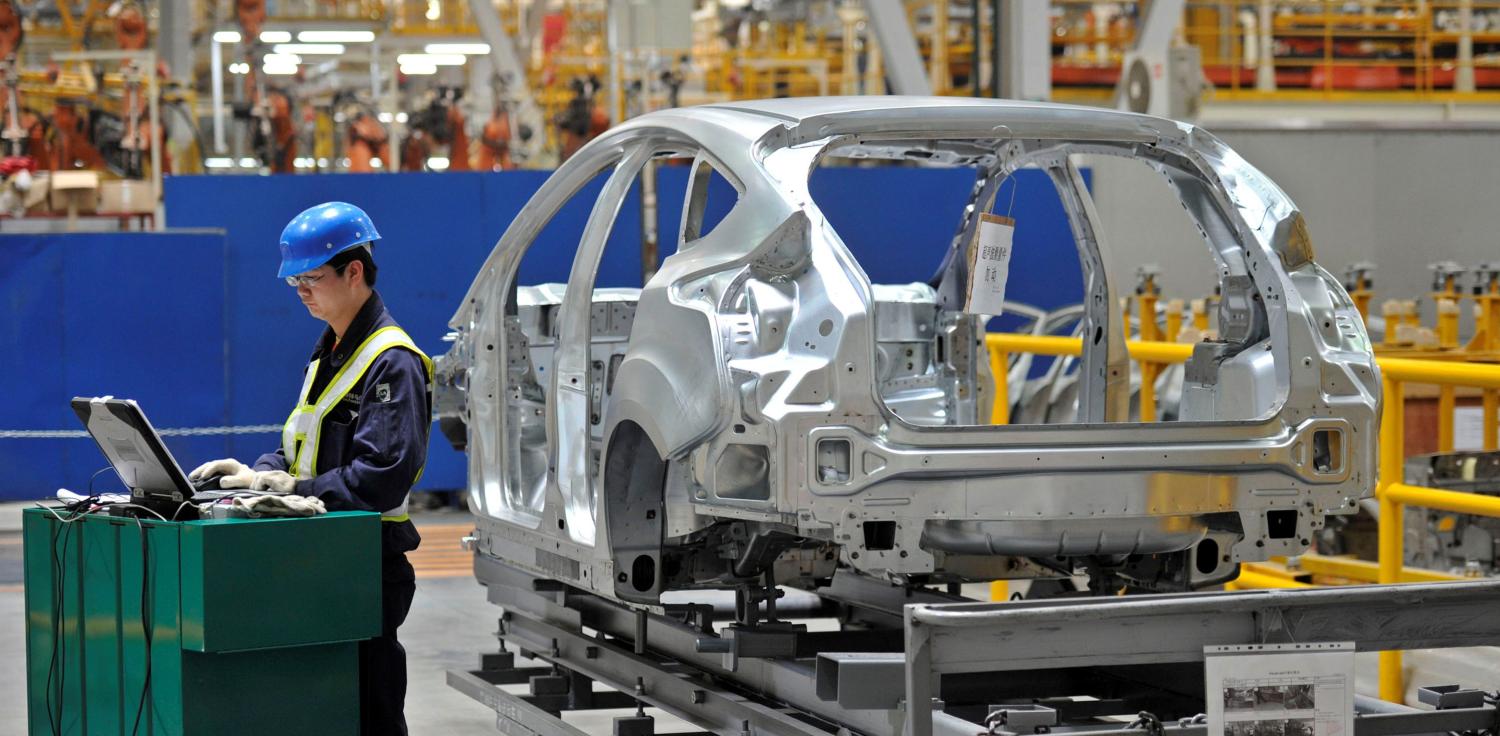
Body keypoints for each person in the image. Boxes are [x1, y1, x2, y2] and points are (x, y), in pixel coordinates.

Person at [189, 201, 431, 736]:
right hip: (322, 562)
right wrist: (256, 477)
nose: (300, 290)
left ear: (354, 272)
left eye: (310, 277)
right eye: (293, 279)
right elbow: (302, 444)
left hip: (365, 566)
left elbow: (382, 475)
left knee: (369, 712)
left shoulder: (391, 360)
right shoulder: (331, 352)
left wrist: (293, 487)